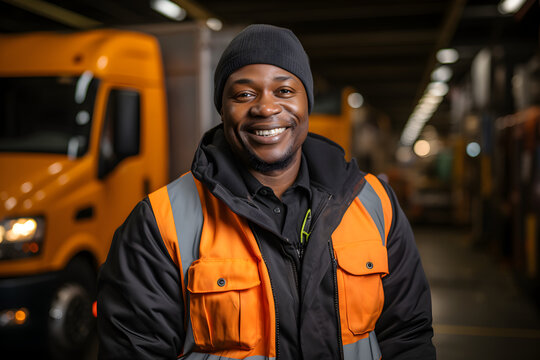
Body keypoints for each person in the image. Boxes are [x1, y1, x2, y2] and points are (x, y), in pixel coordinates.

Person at [97, 24, 436, 360]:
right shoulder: (160, 222)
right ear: (222, 109)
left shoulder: (373, 203)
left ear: (307, 103)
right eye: (244, 94)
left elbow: (407, 336)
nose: (266, 107)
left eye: (285, 91)